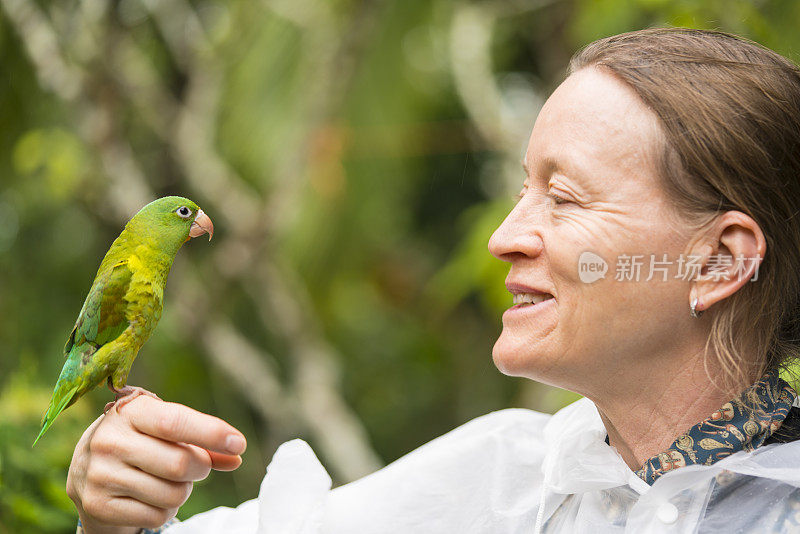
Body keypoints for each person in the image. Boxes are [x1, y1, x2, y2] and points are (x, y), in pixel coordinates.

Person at [68, 27, 800, 533]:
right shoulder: (499, 483)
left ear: (720, 261)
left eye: (565, 198)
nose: (504, 238)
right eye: (521, 191)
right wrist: (116, 514)